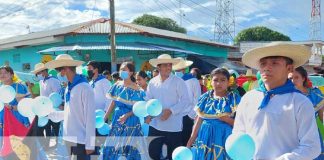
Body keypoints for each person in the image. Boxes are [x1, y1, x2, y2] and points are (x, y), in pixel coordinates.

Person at [233, 42, 321, 159]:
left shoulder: (300, 102)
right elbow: (239, 133)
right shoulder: (248, 98)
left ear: (289, 68)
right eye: (263, 64)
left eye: (274, 63)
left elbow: (312, 146)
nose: (267, 68)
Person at [45, 54, 96, 160]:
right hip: (68, 137)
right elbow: (69, 113)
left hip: (81, 140)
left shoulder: (85, 88)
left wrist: (90, 144)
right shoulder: (69, 87)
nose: (58, 73)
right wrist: (49, 114)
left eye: (59, 70)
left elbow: (90, 118)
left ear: (66, 69)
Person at [187, 68, 241, 159]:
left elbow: (241, 124)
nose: (218, 83)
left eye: (223, 80)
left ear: (228, 82)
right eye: (215, 80)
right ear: (211, 82)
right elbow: (198, 121)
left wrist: (227, 120)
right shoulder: (205, 98)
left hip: (223, 137)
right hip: (205, 137)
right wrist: (190, 142)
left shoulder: (233, 98)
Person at [145, 54, 190, 160]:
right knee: (153, 154)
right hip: (155, 125)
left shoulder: (179, 82)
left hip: (173, 127)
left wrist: (171, 111)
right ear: (158, 67)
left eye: (169, 65)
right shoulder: (152, 82)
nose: (168, 67)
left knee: (173, 156)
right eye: (165, 65)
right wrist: (148, 114)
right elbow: (148, 100)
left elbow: (186, 101)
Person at [102, 62, 146, 159]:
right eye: (121, 69)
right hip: (117, 119)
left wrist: (127, 115)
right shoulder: (117, 85)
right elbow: (113, 103)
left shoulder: (137, 90)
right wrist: (104, 117)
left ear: (131, 72)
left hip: (131, 121)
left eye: (124, 69)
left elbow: (139, 108)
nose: (121, 71)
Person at [288, 66, 324, 159]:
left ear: (303, 78)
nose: (293, 81)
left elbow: (322, 116)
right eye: (290, 78)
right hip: (292, 136)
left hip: (312, 133)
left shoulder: (314, 93)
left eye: (296, 77)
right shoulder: (286, 96)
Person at [31, 62, 62, 149]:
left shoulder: (54, 80)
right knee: (46, 127)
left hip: (55, 108)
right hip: (44, 109)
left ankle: (58, 144)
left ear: (44, 71)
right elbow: (42, 95)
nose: (38, 75)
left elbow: (57, 95)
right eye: (37, 74)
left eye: (38, 73)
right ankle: (46, 145)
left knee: (56, 127)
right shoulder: (41, 81)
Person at [172, 57, 201, 146]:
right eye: (176, 68)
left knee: (185, 141)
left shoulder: (193, 80)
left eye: (179, 68)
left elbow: (197, 98)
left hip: (187, 116)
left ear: (184, 69)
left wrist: (191, 115)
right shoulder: (172, 80)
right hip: (174, 115)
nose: (177, 70)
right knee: (174, 142)